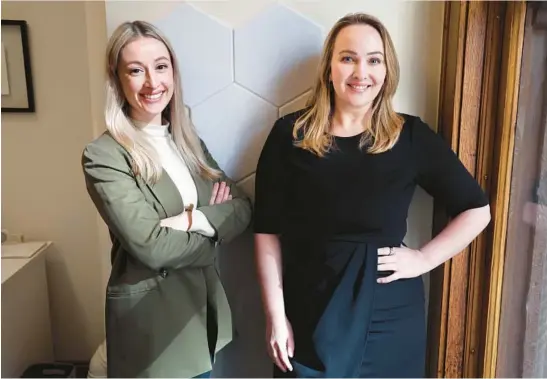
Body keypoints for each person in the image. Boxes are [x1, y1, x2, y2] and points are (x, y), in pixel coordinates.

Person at [253, 12, 491, 378]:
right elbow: (266, 230)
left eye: (373, 60)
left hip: (388, 314)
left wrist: (424, 259)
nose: (361, 73)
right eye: (348, 58)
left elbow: (477, 210)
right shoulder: (290, 134)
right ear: (329, 68)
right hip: (308, 309)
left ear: (387, 69)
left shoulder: (409, 136)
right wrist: (275, 315)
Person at [82, 21, 252, 378]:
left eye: (161, 66)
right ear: (117, 80)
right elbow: (151, 246)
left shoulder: (187, 142)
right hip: (154, 322)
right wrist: (211, 233)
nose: (152, 82)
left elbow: (241, 207)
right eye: (135, 70)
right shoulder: (105, 155)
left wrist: (192, 221)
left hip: (202, 315)